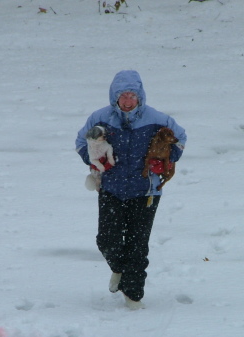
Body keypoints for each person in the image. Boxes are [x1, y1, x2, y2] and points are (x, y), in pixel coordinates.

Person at [75, 70, 187, 310]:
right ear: (115, 97)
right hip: (111, 190)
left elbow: (180, 139)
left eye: (132, 96)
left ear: (140, 97)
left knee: (137, 246)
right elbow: (80, 143)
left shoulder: (158, 119)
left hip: (146, 192)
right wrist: (93, 159)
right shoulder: (100, 118)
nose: (127, 101)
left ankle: (133, 296)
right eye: (123, 96)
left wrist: (168, 158)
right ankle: (118, 269)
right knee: (107, 240)